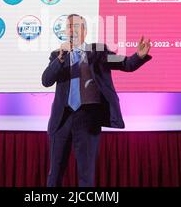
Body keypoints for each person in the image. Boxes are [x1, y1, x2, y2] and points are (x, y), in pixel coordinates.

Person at [42, 14, 152, 187]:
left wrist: (138, 56)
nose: (72, 30)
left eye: (76, 26)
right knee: (55, 172)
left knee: (86, 175)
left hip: (88, 118)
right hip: (62, 119)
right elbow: (46, 80)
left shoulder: (99, 52)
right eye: (69, 26)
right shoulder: (57, 54)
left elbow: (125, 64)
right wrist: (61, 59)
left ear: (84, 31)